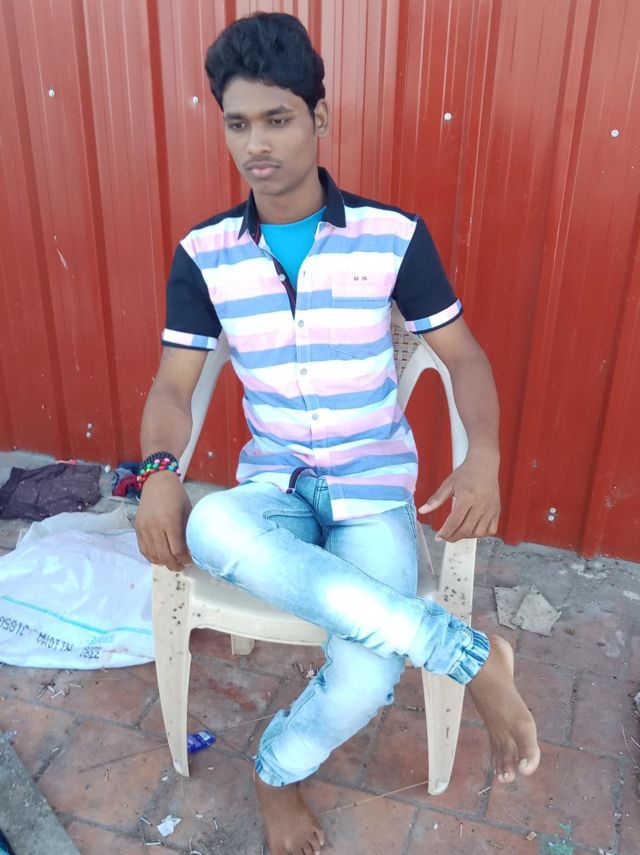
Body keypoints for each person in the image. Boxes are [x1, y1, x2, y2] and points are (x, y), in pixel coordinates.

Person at [135, 12, 540, 855]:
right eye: (237, 124)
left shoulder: (393, 238)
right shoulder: (205, 253)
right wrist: (161, 471)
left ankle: (275, 767)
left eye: (278, 119)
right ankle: (466, 654)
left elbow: (463, 356)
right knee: (212, 524)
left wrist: (487, 455)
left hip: (369, 488)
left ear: (320, 118)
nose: (257, 144)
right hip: (274, 488)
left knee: (366, 670)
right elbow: (175, 384)